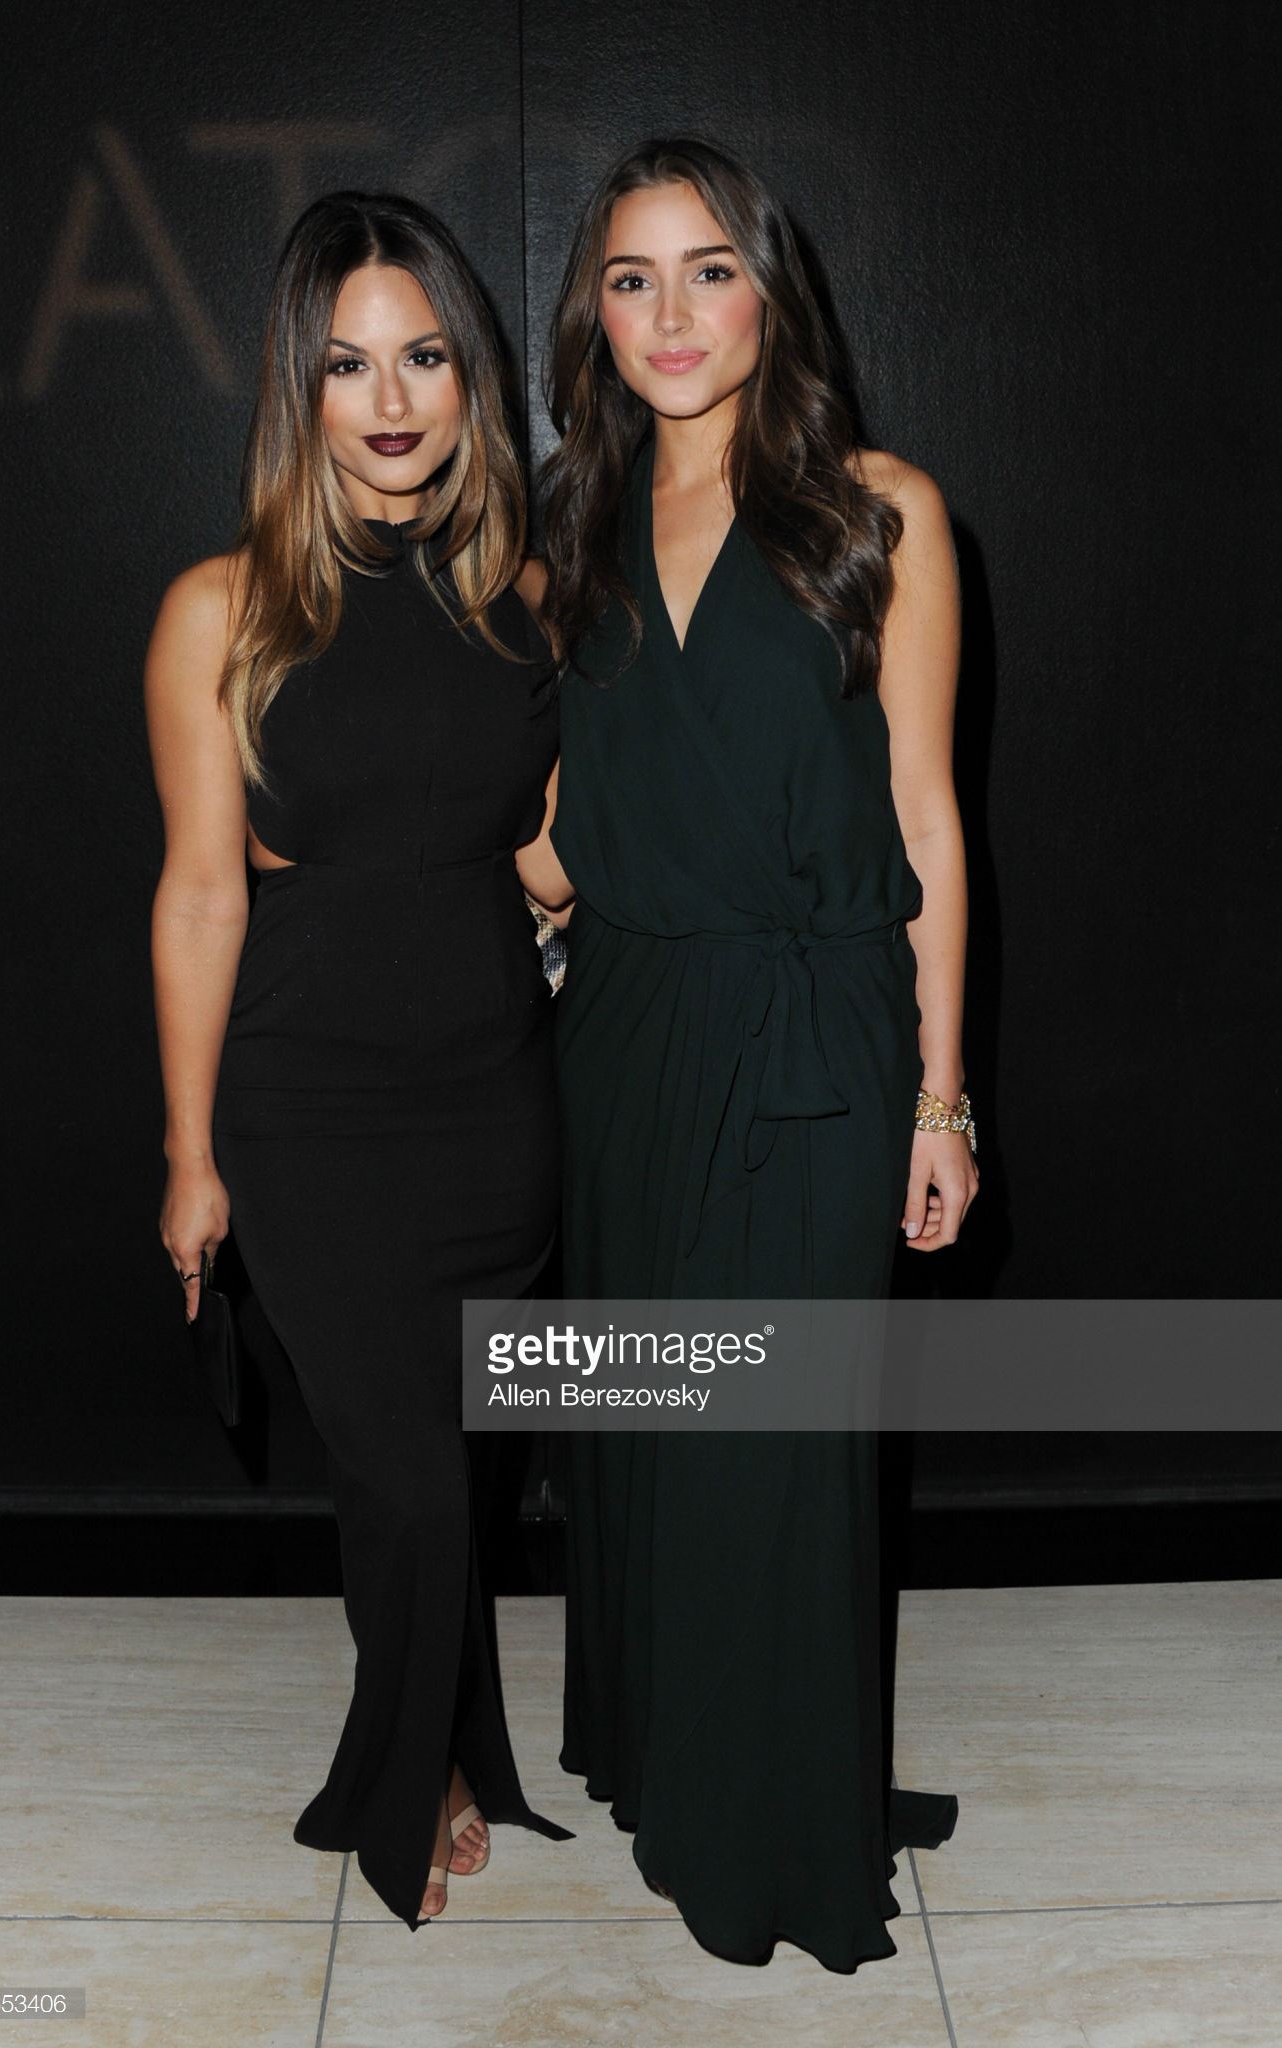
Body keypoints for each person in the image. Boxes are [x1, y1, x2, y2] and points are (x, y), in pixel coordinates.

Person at [537, 137, 976, 1972]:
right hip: (629, 1028)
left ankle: (772, 1826)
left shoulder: (878, 512)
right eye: (631, 277)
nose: (672, 313)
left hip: (818, 1032)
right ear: (595, 312)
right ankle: (682, 1758)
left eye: (708, 268)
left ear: (770, 291)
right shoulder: (568, 527)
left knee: (774, 1441)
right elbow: (557, 822)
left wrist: (942, 1096)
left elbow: (928, 819)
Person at [145, 190, 574, 1930]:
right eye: (347, 365)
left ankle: (437, 1734)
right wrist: (191, 1158)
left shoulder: (531, 604)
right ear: (297, 389)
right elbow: (199, 893)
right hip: (307, 1108)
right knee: (399, 1468)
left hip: (497, 1095)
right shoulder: (222, 610)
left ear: (473, 380)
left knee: (449, 1469)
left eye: (425, 358)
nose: (391, 401)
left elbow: (551, 862)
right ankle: (416, 1779)